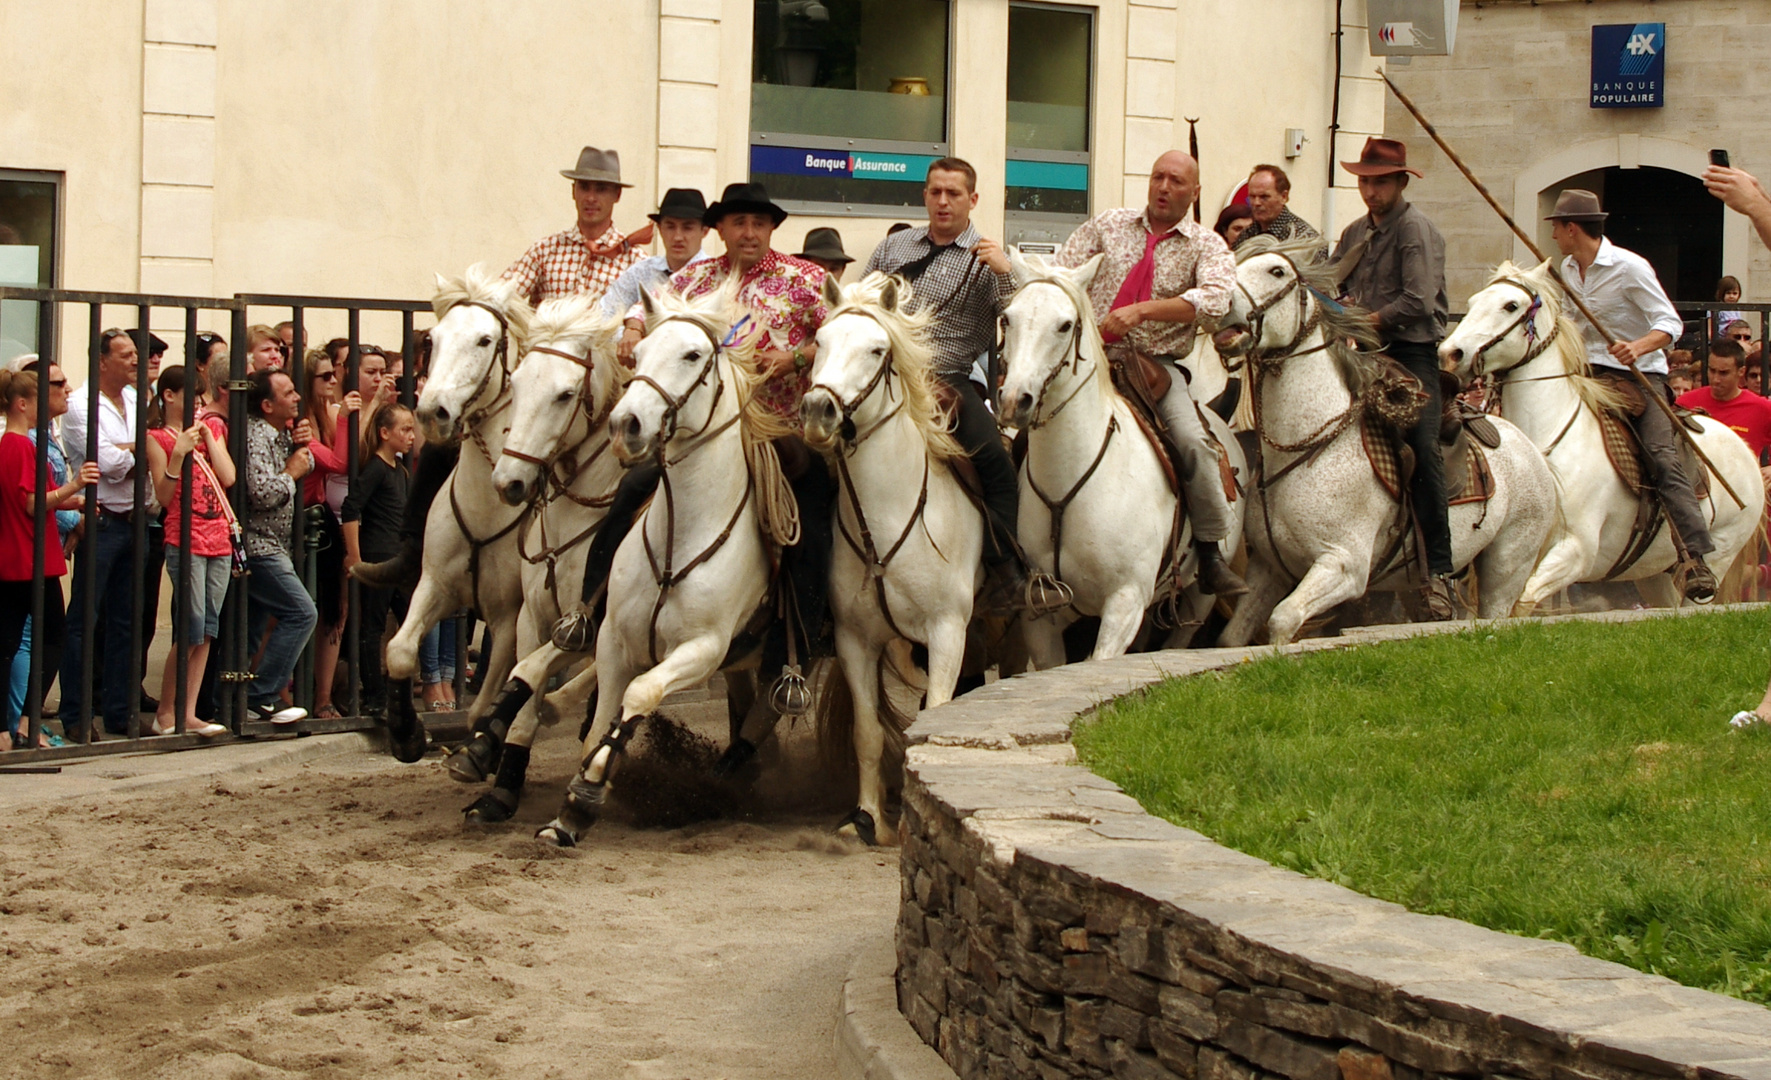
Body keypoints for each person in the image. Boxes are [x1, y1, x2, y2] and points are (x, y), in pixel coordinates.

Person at [561, 182, 832, 684]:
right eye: (737, 223)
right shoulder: (695, 279)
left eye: (758, 223)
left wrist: (793, 357)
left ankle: (796, 648)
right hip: (696, 435)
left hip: (776, 427)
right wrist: (633, 330)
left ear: (772, 228)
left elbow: (840, 332)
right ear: (721, 229)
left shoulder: (805, 278)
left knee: (813, 512)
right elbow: (645, 306)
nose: (748, 233)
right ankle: (587, 610)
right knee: (629, 493)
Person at [356, 145, 644, 592]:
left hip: (600, 398)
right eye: (586, 187)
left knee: (640, 472)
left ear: (616, 198)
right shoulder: (548, 249)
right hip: (536, 391)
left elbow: (642, 325)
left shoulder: (635, 262)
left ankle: (614, 585)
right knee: (439, 447)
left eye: (602, 189)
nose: (593, 197)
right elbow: (500, 297)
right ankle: (413, 555)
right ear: (574, 192)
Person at [1054, 150, 1248, 597]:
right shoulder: (1108, 224)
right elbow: (1063, 272)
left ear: (1195, 192)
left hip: (1156, 368)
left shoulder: (1206, 244)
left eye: (1177, 181)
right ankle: (1020, 552)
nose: (1164, 187)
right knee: (1026, 428)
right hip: (1089, 359)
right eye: (1158, 176)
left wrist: (1142, 311)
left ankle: (1209, 551)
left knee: (1196, 444)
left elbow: (1216, 301)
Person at [861, 156, 1030, 611]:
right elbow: (859, 305)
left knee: (996, 464)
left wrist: (1005, 271)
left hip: (946, 380)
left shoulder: (989, 258)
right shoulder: (893, 247)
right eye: (935, 191)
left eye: (953, 193)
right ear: (924, 195)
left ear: (973, 200)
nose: (942, 201)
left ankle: (1004, 570)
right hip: (880, 375)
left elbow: (1022, 317)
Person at [1548, 186, 1716, 601]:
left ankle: (1694, 554)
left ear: (1572, 228)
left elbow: (1670, 323)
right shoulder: (1566, 269)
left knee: (1660, 454)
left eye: (1557, 227)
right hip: (1584, 375)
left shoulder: (1630, 267)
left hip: (1638, 378)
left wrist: (1637, 347)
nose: (1553, 235)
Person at [1331, 137, 1456, 617]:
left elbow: (1418, 302)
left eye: (1380, 181)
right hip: (1360, 350)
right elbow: (1332, 284)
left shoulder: (1415, 230)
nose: (1370, 190)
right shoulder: (1353, 232)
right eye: (1365, 181)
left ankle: (1440, 572)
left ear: (1401, 181)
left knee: (1423, 450)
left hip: (1410, 352)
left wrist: (1360, 320)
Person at [0, 371, 99, 748]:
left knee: (9, 642)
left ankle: (11, 731)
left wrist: (65, 498)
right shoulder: (23, 445)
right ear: (22, 404)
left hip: (14, 554)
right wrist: (74, 487)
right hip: (30, 556)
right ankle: (25, 724)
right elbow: (31, 503)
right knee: (51, 638)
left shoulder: (7, 444)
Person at [57, 328, 146, 738]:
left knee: (127, 622)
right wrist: (139, 449)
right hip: (104, 520)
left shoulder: (134, 398)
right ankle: (75, 716)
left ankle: (119, 713)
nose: (134, 360)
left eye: (135, 353)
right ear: (102, 361)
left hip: (134, 518)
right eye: (125, 354)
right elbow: (107, 462)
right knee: (84, 621)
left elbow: (134, 451)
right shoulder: (78, 405)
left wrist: (131, 449)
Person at [143, 365, 232, 737]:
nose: (197, 402)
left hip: (219, 538)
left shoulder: (210, 429)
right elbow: (164, 497)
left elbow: (227, 477)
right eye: (190, 395)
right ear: (169, 396)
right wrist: (179, 453)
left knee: (208, 629)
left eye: (200, 396)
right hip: (185, 537)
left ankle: (189, 711)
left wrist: (208, 439)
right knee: (191, 627)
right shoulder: (155, 438)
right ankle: (167, 712)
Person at [242, 369, 316, 725]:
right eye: (288, 393)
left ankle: (236, 700)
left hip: (278, 543)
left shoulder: (279, 432)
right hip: (259, 544)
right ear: (267, 404)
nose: (297, 397)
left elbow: (308, 461)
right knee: (302, 612)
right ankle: (261, 694)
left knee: (252, 628)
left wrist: (301, 446)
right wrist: (292, 472)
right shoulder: (255, 436)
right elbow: (261, 492)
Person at [342, 403, 415, 721]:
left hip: (397, 558)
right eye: (405, 429)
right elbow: (350, 508)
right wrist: (355, 557)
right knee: (372, 627)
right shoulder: (375, 468)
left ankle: (395, 691)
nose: (411, 436)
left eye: (412, 429)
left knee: (408, 623)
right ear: (385, 433)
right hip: (377, 555)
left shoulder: (400, 470)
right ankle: (374, 696)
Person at [302, 350, 359, 719]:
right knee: (293, 612)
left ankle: (322, 696)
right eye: (324, 377)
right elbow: (339, 463)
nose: (333, 381)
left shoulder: (325, 413)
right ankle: (276, 693)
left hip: (325, 520)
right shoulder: (306, 420)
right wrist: (342, 420)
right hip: (299, 520)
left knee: (334, 611)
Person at [602, 188, 713, 363]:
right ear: (659, 229)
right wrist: (625, 337)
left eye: (687, 227)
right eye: (670, 226)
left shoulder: (714, 275)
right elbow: (605, 315)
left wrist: (643, 341)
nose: (677, 237)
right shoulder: (640, 272)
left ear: (704, 230)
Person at [1677, 339, 1771, 476]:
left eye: (1723, 373)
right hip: (1695, 488)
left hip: (1740, 491)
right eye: (1712, 370)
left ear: (1741, 372)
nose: (1715, 379)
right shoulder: (1685, 402)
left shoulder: (1762, 408)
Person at [1237, 164, 1323, 254]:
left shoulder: (1305, 239)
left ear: (1284, 197)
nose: (1256, 203)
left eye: (1264, 197)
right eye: (1252, 196)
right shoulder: (1247, 235)